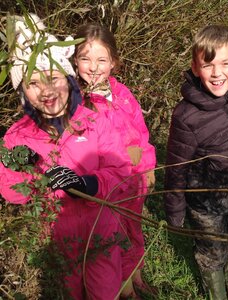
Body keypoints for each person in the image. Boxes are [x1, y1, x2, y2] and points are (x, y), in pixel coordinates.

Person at [0, 15, 134, 299]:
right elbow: (10, 189)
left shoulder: (94, 121)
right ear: (22, 92)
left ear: (69, 80)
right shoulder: (17, 137)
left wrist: (90, 184)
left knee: (104, 293)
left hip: (102, 234)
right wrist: (35, 177)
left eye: (53, 79)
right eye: (33, 83)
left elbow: (121, 170)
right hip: (59, 241)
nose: (47, 92)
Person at [164, 24, 228, 300]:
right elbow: (175, 165)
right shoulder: (186, 116)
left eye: (226, 63)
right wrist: (174, 208)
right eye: (208, 64)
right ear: (195, 67)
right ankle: (217, 293)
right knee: (211, 249)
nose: (217, 73)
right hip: (205, 198)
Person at [73, 23, 157, 298]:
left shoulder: (121, 94)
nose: (94, 67)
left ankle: (137, 272)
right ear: (74, 61)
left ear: (113, 63)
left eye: (101, 60)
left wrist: (147, 166)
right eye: (85, 59)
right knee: (115, 236)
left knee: (134, 227)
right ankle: (124, 286)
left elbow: (141, 134)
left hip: (134, 181)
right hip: (109, 187)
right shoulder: (79, 103)